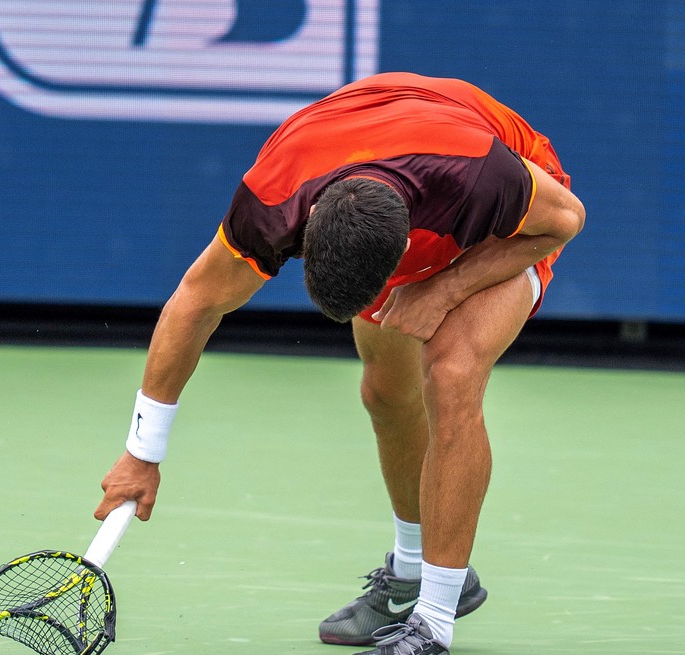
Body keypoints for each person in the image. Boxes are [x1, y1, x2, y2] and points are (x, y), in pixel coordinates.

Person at [94, 72, 585, 655]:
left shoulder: (482, 176)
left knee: (450, 374)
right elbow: (195, 302)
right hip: (381, 167)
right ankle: (408, 575)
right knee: (385, 394)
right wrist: (141, 454)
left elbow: (566, 220)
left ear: (404, 252)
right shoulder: (274, 198)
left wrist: (444, 290)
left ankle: (433, 622)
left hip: (511, 215)